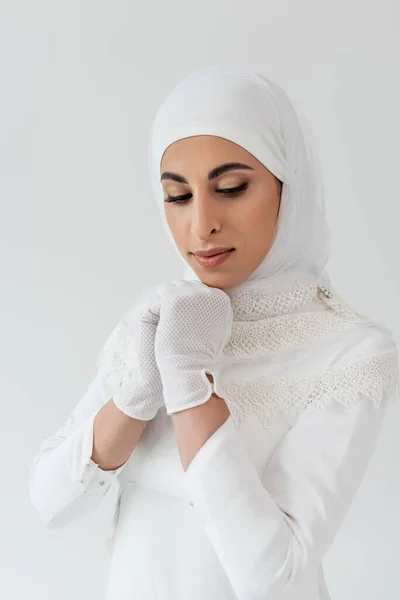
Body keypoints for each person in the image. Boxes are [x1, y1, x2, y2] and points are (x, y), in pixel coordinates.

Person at [29, 65, 399, 600]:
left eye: (231, 188)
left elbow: (275, 578)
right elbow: (50, 503)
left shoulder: (349, 353)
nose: (202, 224)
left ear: (287, 186)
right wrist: (136, 395)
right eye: (178, 197)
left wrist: (189, 385)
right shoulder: (159, 318)